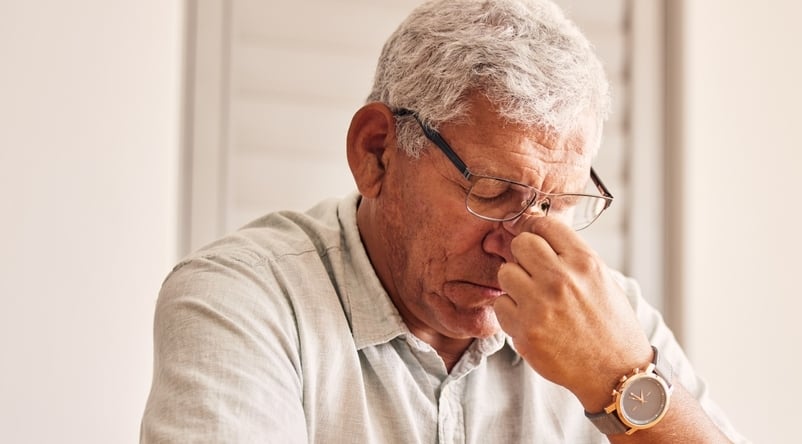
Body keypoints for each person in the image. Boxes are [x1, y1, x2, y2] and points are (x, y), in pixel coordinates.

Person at [141, 0, 749, 442]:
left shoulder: (607, 320)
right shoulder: (244, 301)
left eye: (556, 203)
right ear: (376, 152)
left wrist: (619, 383)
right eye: (493, 192)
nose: (520, 245)